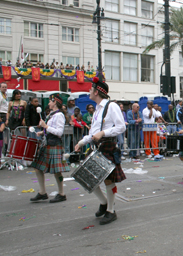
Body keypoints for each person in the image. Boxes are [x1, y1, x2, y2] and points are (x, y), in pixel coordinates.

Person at [74, 77, 126, 225]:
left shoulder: (112, 106)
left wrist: (103, 133)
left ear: (97, 91)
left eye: (91, 89)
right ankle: (104, 203)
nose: (89, 91)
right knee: (88, 177)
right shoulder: (97, 109)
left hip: (108, 145)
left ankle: (111, 211)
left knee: (109, 180)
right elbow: (94, 132)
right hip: (97, 147)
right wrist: (82, 141)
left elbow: (121, 127)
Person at [30, 94, 70, 203]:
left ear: (55, 102)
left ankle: (62, 193)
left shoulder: (59, 115)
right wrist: (42, 132)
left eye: (50, 101)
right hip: (47, 144)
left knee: (57, 171)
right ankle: (42, 192)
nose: (48, 103)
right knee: (37, 167)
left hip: (55, 145)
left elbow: (59, 132)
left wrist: (46, 127)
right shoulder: (52, 115)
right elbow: (50, 130)